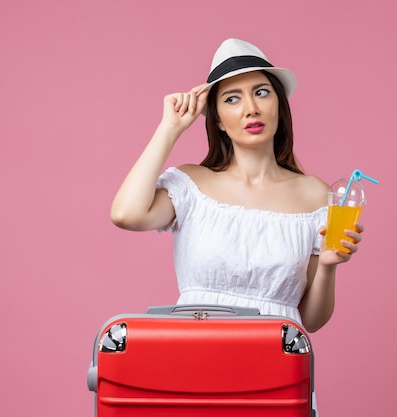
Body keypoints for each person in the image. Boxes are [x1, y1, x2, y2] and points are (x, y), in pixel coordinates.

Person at [111, 36, 364, 417]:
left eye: (261, 92)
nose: (250, 108)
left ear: (279, 103)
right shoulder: (191, 185)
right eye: (232, 98)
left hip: (275, 372)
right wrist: (170, 128)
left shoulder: (315, 193)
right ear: (216, 120)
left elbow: (311, 319)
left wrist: (327, 266)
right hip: (192, 366)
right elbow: (126, 214)